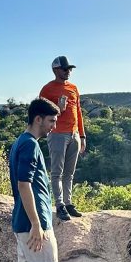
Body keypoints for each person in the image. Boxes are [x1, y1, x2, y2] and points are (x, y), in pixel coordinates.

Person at [9, 97, 75, 262]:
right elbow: (24, 184)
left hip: (21, 224)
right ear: (38, 119)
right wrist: (38, 224)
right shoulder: (30, 145)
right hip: (33, 226)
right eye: (51, 121)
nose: (53, 126)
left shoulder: (19, 142)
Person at [39, 56, 86, 222]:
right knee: (57, 172)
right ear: (56, 70)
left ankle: (68, 203)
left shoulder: (73, 88)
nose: (68, 72)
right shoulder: (47, 89)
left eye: (70, 69)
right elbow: (41, 114)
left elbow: (78, 112)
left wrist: (82, 135)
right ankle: (59, 205)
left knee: (69, 173)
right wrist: (58, 109)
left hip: (74, 134)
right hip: (57, 133)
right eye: (65, 69)